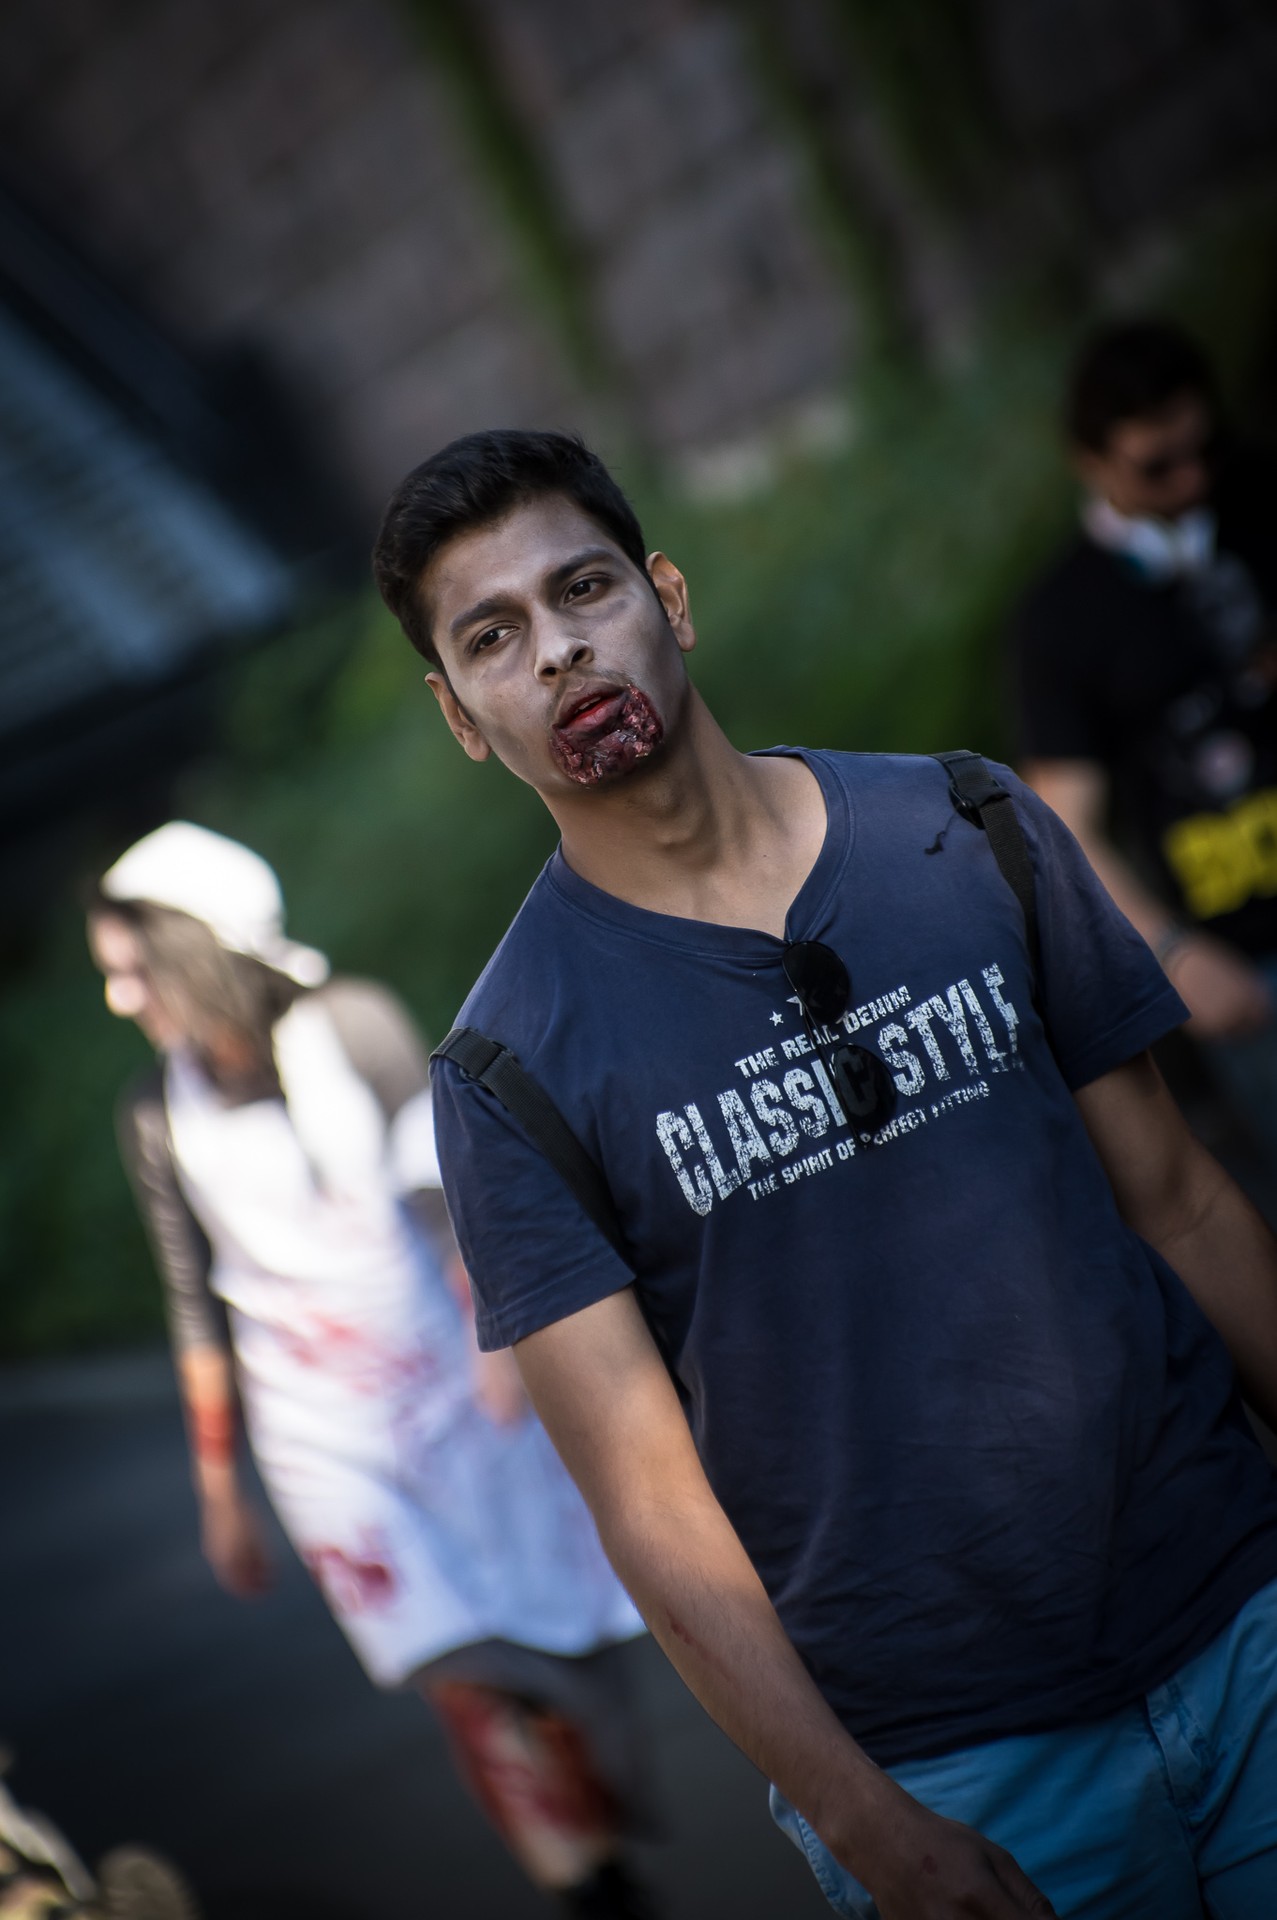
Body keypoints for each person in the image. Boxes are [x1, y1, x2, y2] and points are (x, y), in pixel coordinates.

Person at [371, 427, 1277, 1920]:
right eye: (491, 637)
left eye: (583, 588)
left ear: (667, 595)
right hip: (953, 1767)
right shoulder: (507, 1072)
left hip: (1240, 1619)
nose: (558, 650)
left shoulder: (966, 828)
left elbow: (1179, 1202)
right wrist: (866, 1825)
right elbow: (649, 1505)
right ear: (459, 714)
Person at [87, 822, 657, 1920]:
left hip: (456, 1388)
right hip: (319, 1435)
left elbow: (450, 1198)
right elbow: (192, 1299)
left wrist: (502, 1347)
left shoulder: (352, 1024)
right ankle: (585, 1890)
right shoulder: (155, 1111)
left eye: (132, 970)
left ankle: (602, 1840)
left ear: (195, 950)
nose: (119, 999)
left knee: (556, 1652)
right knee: (459, 1674)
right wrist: (220, 1489)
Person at [1011, 320, 1277, 1159]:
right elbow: (1061, 824)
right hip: (1244, 963)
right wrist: (1173, 953)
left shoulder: (1261, 501)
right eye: (1156, 466)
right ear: (1090, 462)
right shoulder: (1059, 619)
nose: (1191, 480)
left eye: (1204, 449)